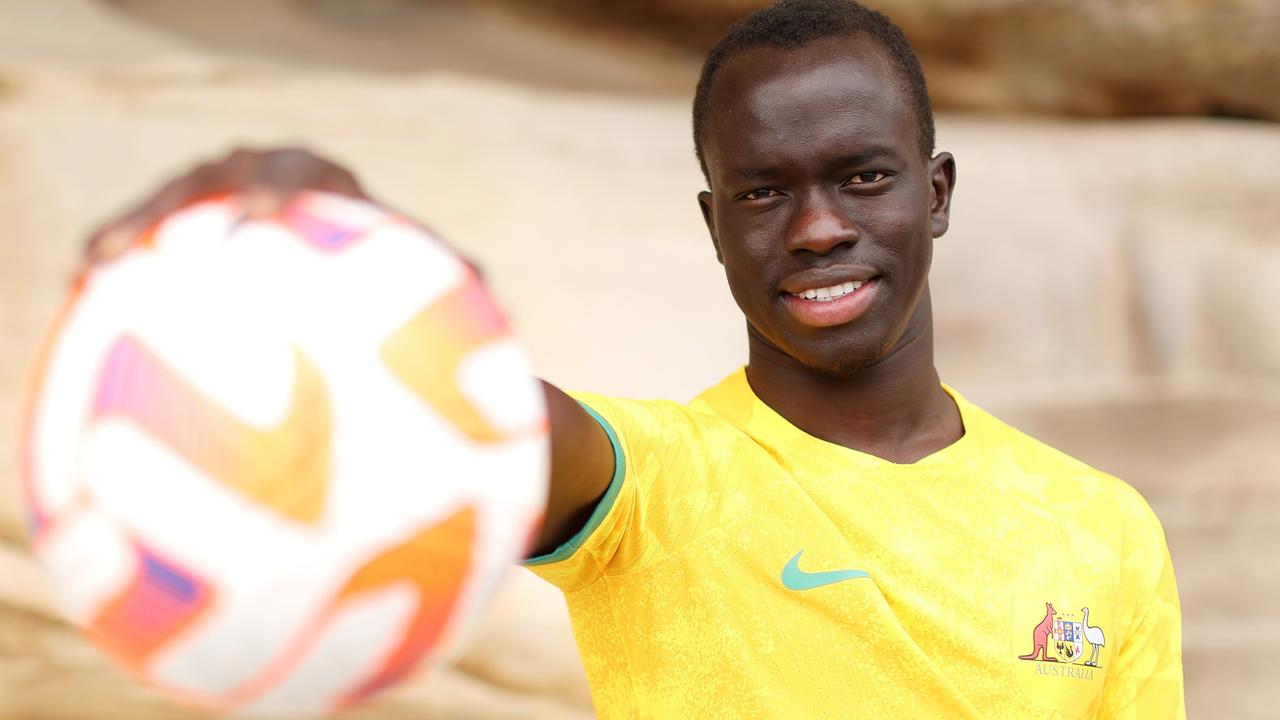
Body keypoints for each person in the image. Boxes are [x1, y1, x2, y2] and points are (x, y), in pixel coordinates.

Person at [85, 1, 1185, 717]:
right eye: (762, 192)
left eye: (859, 177)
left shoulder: (1098, 526)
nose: (812, 230)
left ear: (932, 194)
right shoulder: (660, 482)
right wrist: (338, 231)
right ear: (714, 226)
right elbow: (465, 414)